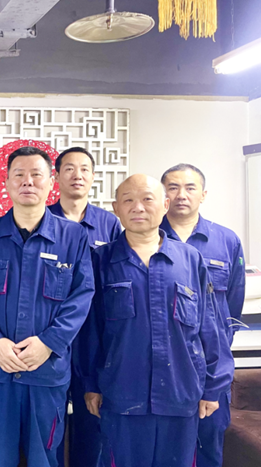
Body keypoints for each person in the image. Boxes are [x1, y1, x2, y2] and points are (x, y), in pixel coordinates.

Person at [81, 174, 226, 467]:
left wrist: (212, 387)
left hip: (180, 394)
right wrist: (90, 384)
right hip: (121, 394)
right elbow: (90, 332)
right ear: (116, 208)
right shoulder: (100, 260)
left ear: (165, 205)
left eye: (148, 199)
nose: (138, 207)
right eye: (128, 200)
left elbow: (210, 327)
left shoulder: (190, 260)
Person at [0, 146, 94, 467]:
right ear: (7, 182)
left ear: (51, 182)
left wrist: (49, 343)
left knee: (44, 459)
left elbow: (81, 297)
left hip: (46, 372)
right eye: (19, 175)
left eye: (36, 175)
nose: (28, 182)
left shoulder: (73, 237)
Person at [159, 164, 245, 467]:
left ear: (203, 194)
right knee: (164, 448)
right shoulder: (145, 237)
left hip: (210, 365)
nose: (181, 195)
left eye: (190, 188)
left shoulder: (226, 240)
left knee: (208, 443)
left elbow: (233, 304)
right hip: (161, 364)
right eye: (173, 187)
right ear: (163, 195)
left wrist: (216, 350)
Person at [47, 147, 121, 467]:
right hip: (50, 334)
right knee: (49, 423)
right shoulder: (42, 219)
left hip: (95, 338)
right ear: (56, 176)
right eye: (69, 169)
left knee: (92, 422)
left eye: (84, 169)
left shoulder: (109, 224)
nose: (77, 175)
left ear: (93, 177)